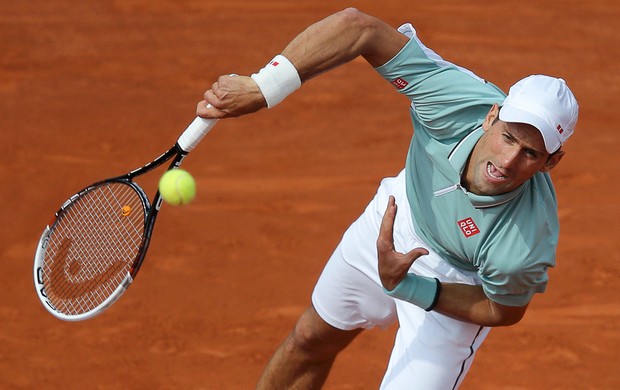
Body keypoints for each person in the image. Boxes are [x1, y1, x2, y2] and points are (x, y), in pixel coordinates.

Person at [196, 8, 579, 389]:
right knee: (311, 338)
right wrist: (263, 87)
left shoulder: (523, 243)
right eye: (508, 137)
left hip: (457, 281)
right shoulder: (455, 100)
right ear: (491, 116)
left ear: (552, 162)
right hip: (396, 217)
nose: (507, 161)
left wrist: (409, 286)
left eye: (530, 153)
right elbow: (359, 28)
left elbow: (502, 308)